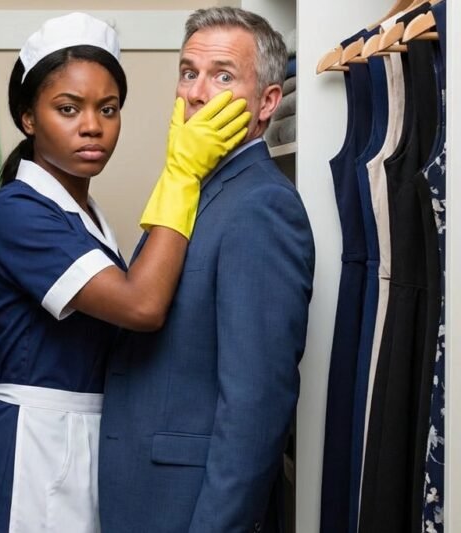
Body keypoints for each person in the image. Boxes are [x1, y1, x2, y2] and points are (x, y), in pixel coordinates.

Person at [0, 12, 251, 533]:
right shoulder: (18, 212)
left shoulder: (83, 213)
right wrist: (182, 174)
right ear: (28, 118)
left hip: (74, 441)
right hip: (28, 452)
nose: (92, 126)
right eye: (68, 108)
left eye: (108, 109)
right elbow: (141, 305)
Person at [98, 7, 316, 533]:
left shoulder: (262, 207)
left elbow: (255, 407)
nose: (196, 93)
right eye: (188, 72)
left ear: (268, 102)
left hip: (192, 507)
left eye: (222, 76)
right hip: (146, 494)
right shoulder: (190, 185)